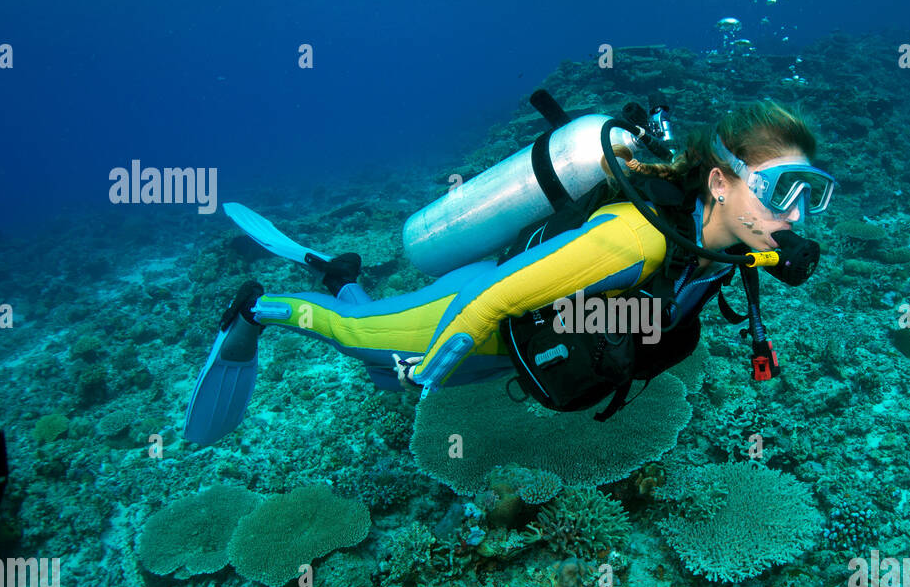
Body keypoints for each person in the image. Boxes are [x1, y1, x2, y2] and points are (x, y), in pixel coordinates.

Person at [184, 100, 835, 443]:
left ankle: (337, 270)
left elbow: (757, 263)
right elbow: (498, 295)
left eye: (811, 192)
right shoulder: (632, 240)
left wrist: (776, 290)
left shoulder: (734, 245)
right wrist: (452, 347)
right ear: (719, 182)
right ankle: (257, 309)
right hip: (477, 310)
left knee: (383, 378)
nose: (797, 213)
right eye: (782, 190)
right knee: (362, 344)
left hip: (520, 348)